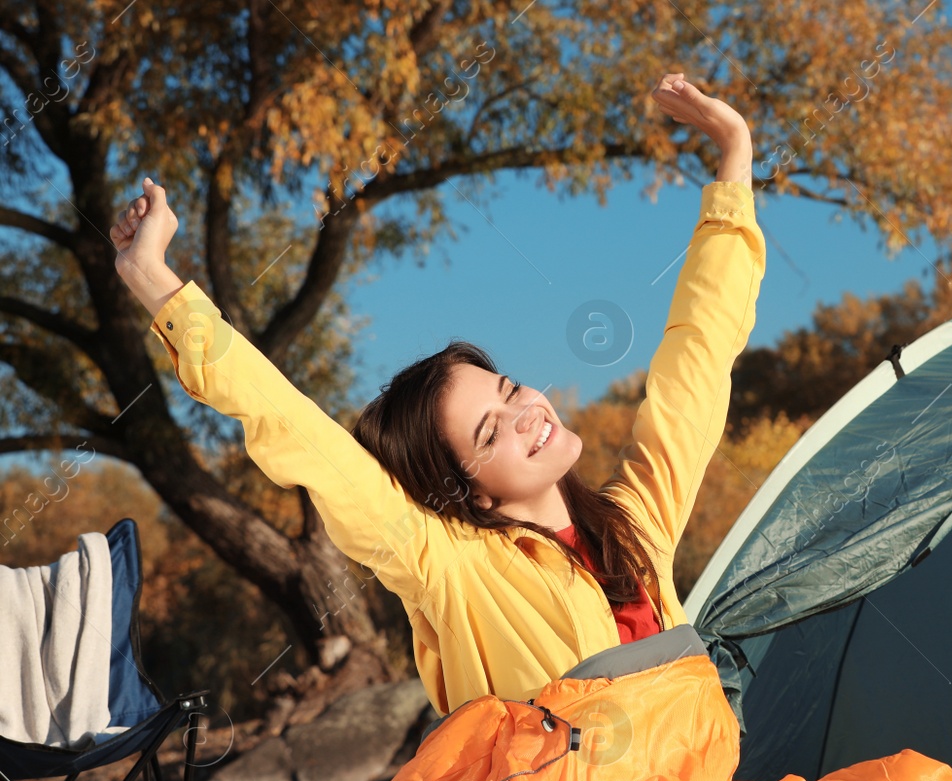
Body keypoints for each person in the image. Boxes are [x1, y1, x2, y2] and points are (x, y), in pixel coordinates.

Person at [111, 72, 764, 721]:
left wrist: (734, 155)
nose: (524, 414)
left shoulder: (635, 525)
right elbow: (301, 434)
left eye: (507, 390)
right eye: (488, 432)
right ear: (470, 491)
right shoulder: (452, 568)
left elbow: (697, 357)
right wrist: (153, 280)